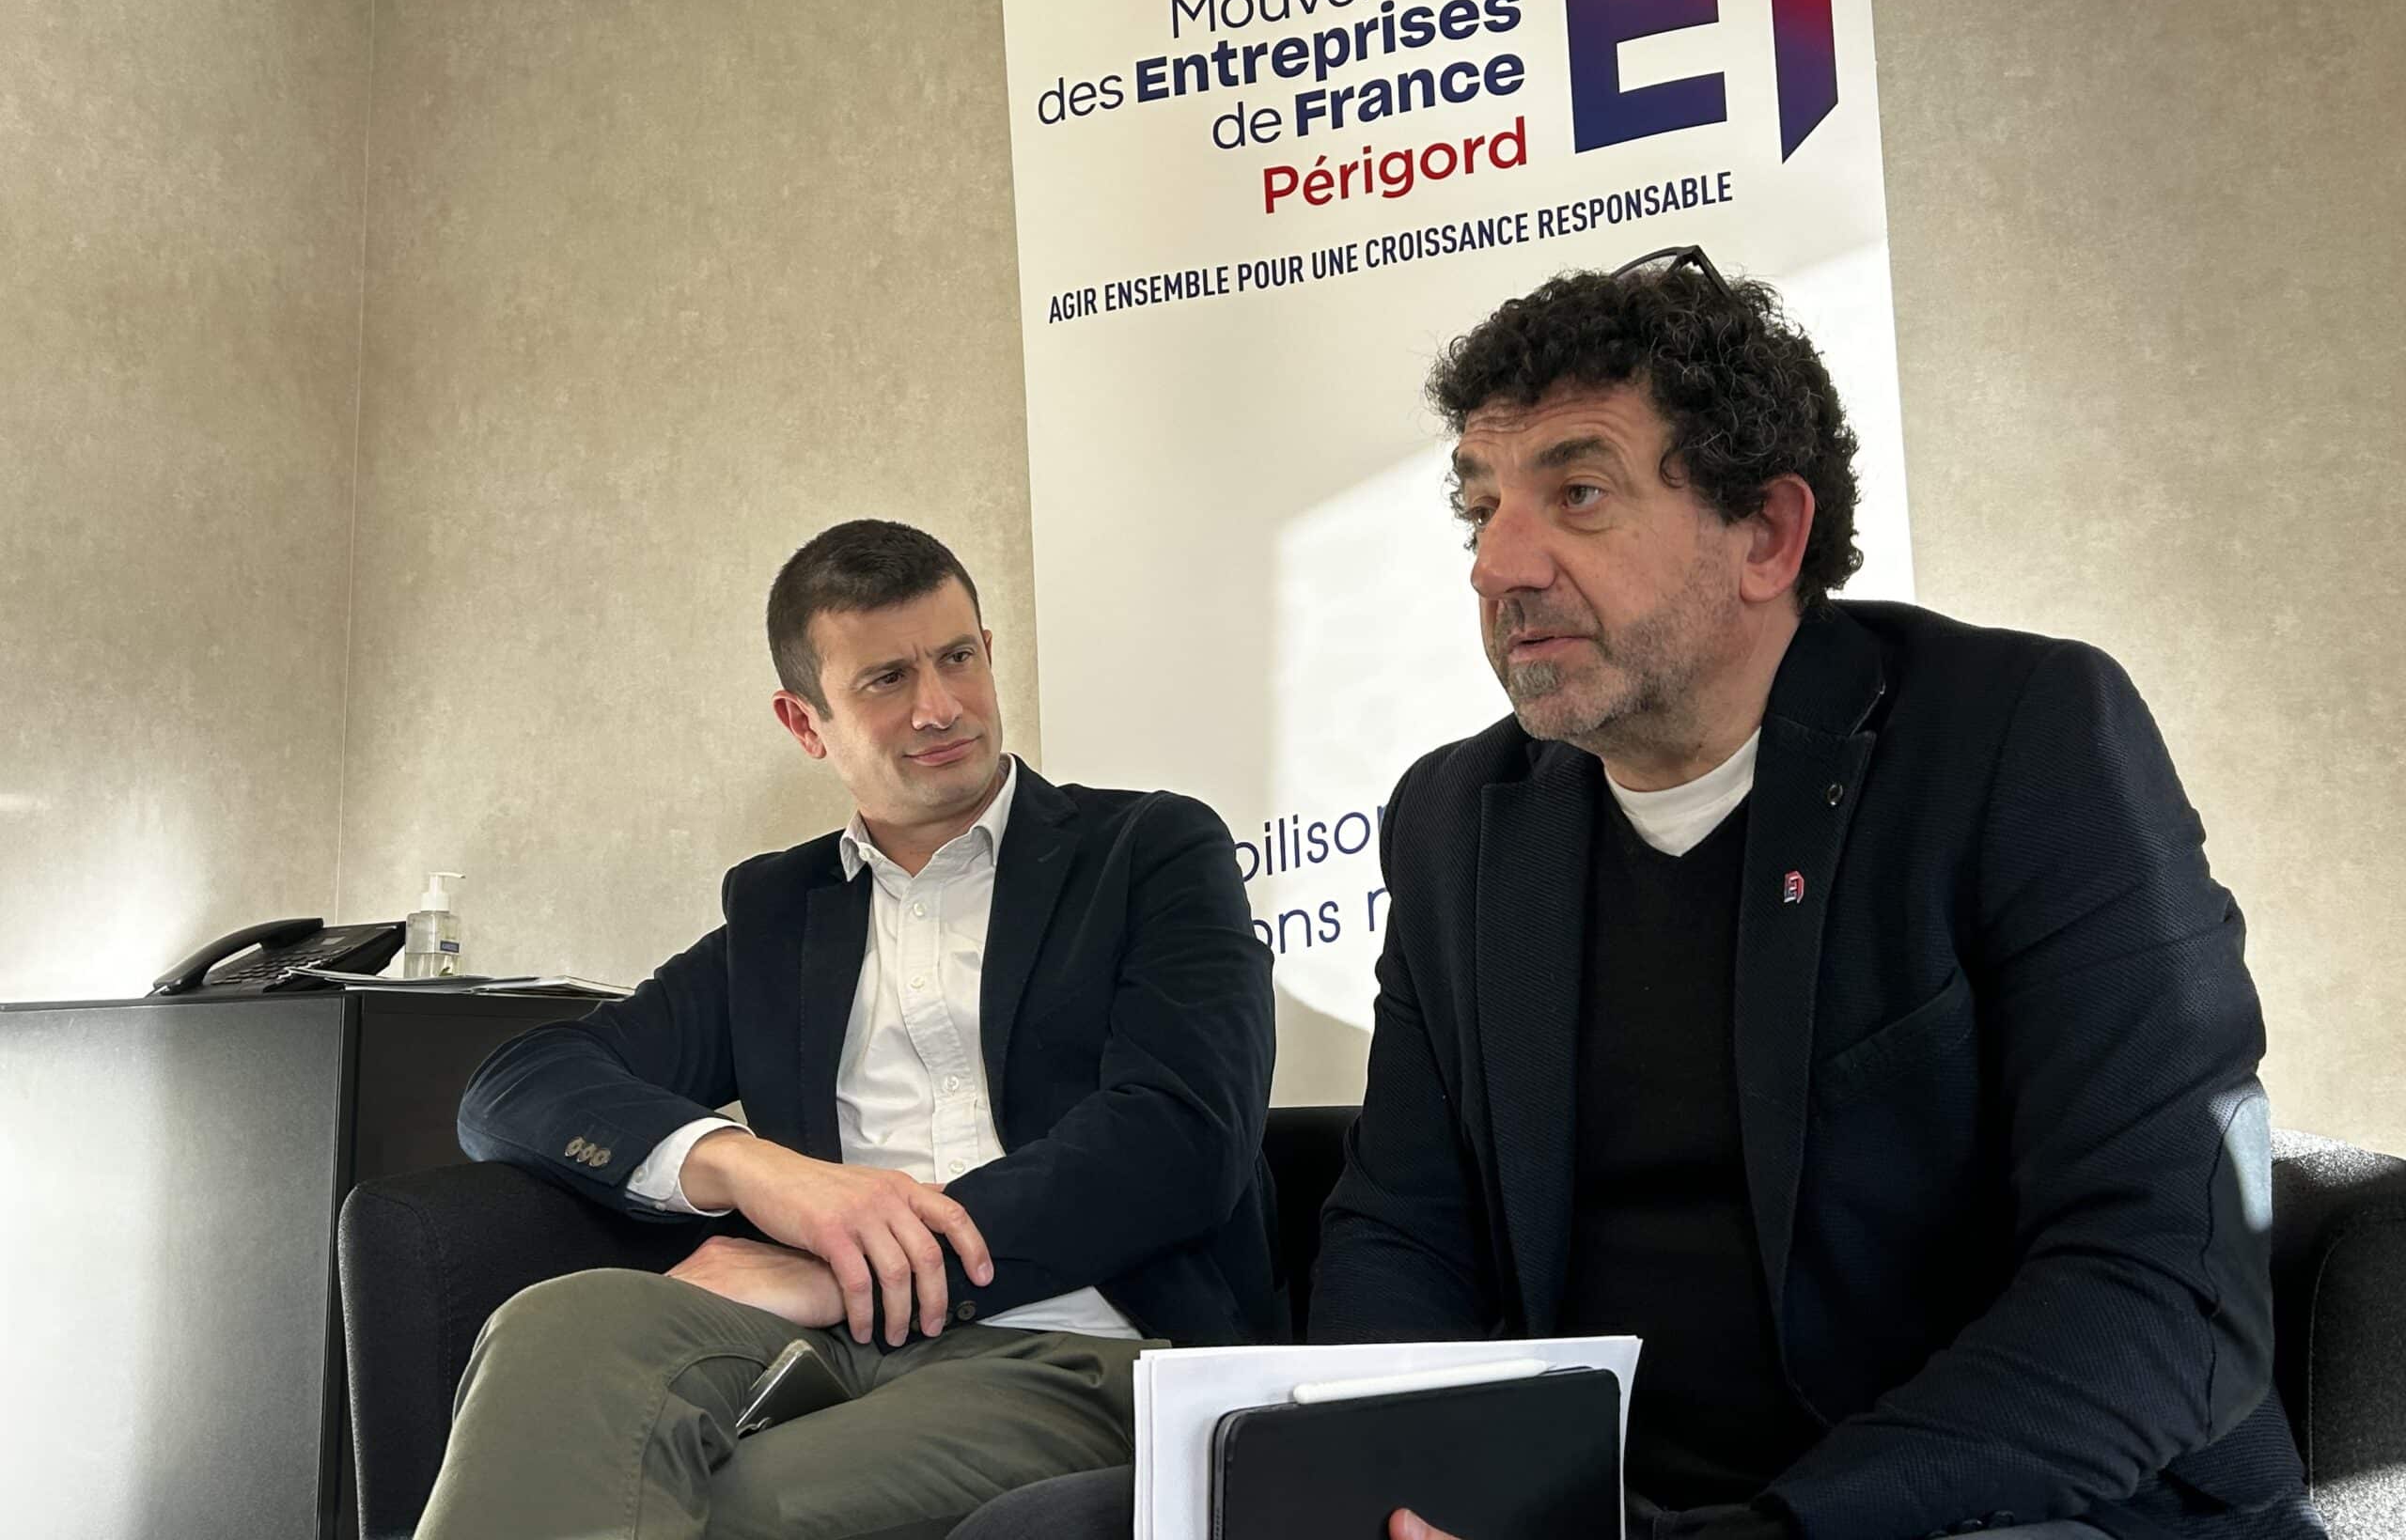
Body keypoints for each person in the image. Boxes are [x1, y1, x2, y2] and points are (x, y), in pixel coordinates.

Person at [950, 250, 2319, 1540]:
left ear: (1766, 533)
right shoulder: (1455, 821)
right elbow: (1405, 1227)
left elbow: (2163, 1282)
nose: (1497, 566)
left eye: (1579, 494)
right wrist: (1396, 1482)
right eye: (1481, 509)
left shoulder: (2020, 738)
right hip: (1587, 1498)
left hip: (1968, 1500)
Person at [415, 519, 1280, 1540]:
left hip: (1069, 1348)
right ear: (804, 721)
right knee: (556, 1324)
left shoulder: (1147, 850)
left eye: (957, 658)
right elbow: (517, 1086)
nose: (940, 706)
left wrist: (843, 1268)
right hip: (821, 1345)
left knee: (715, 1511)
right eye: (886, 680)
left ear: (989, 652)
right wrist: (754, 1171)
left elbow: (1180, 1138)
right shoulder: (780, 912)